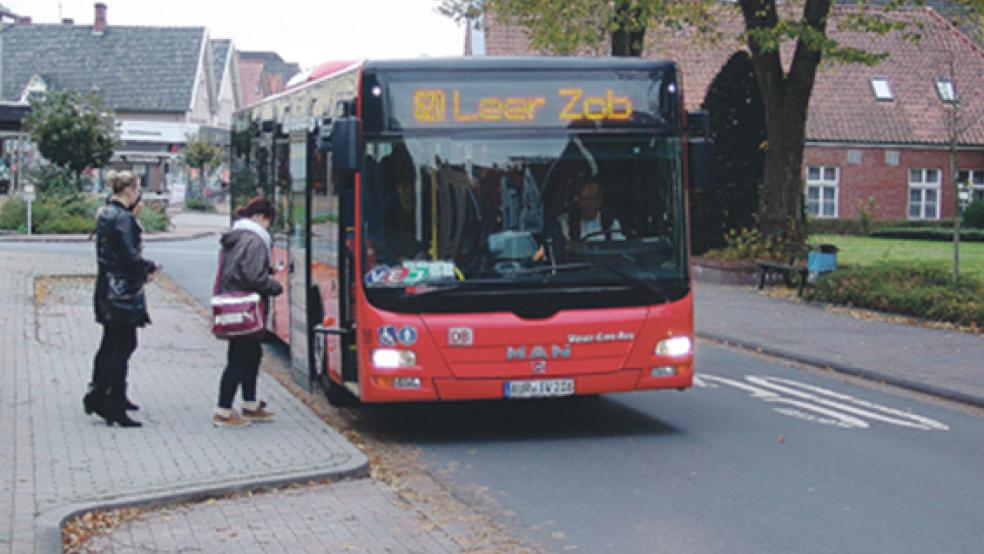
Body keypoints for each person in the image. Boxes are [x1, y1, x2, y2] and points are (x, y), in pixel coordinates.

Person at [84, 170, 159, 428]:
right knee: (123, 346)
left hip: (106, 287)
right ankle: (110, 401)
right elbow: (130, 257)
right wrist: (149, 268)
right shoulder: (123, 219)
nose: (138, 194)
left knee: (112, 344)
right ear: (129, 190)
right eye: (137, 188)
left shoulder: (105, 213)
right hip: (122, 292)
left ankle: (102, 394)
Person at [213, 197, 284, 427]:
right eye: (268, 223)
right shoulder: (255, 240)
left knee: (252, 355)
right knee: (239, 359)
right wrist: (274, 285)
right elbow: (253, 276)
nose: (268, 228)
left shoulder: (238, 236)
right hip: (247, 306)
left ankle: (250, 404)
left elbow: (237, 268)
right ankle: (223, 411)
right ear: (261, 218)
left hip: (236, 301)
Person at [557, 179, 624, 243]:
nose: (584, 203)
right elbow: (564, 247)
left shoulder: (611, 223)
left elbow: (619, 247)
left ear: (599, 200)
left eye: (589, 199)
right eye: (582, 198)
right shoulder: (566, 221)